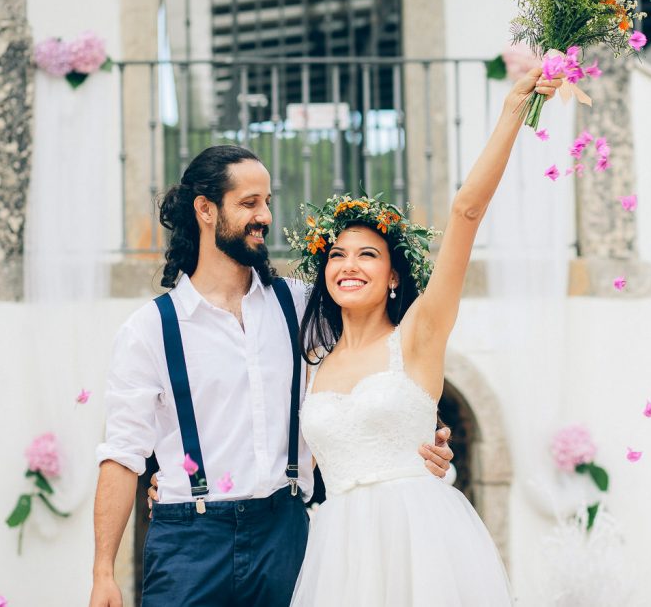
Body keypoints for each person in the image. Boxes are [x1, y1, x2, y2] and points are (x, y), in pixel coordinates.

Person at [88, 144, 454, 607]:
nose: (264, 216)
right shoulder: (148, 330)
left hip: (285, 534)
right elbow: (122, 455)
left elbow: (378, 360)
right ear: (205, 209)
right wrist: (103, 571)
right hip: (190, 542)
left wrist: (421, 430)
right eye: (249, 203)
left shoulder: (301, 305)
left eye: (267, 201)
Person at [286, 67, 561, 605]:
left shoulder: (417, 335)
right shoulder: (311, 361)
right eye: (337, 255)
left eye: (367, 255)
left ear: (393, 276)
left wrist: (513, 111)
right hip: (339, 552)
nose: (348, 265)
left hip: (418, 538)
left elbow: (466, 212)